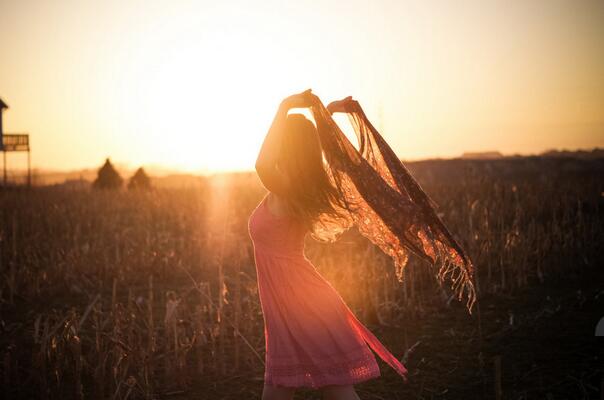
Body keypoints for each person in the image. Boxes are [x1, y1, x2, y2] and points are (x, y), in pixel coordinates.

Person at [248, 89, 408, 400]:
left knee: (328, 388)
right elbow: (302, 153)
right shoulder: (301, 186)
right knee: (317, 388)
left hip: (300, 304)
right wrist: (326, 118)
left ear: (285, 147)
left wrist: (283, 108)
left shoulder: (287, 189)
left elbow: (261, 164)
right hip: (296, 303)